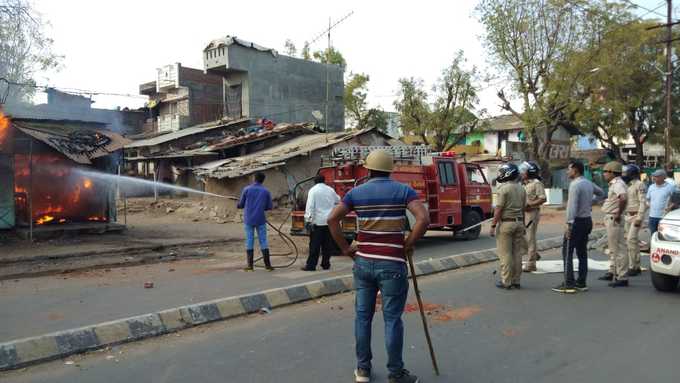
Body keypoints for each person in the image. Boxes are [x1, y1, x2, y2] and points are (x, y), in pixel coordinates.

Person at [327, 149, 429, 383]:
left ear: (368, 169)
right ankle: (396, 373)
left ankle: (362, 370)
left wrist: (345, 248)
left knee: (363, 318)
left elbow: (332, 219)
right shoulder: (403, 190)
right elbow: (423, 219)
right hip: (392, 264)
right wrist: (408, 244)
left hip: (363, 263)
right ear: (390, 169)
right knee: (392, 319)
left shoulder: (356, 192)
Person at [553, 160, 605, 294]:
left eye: (569, 169)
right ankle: (581, 282)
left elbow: (572, 206)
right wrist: (589, 203)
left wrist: (569, 225)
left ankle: (569, 282)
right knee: (582, 252)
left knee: (567, 251)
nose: (567, 171)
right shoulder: (587, 182)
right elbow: (601, 193)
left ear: (575, 170)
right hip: (587, 220)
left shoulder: (575, 185)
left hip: (576, 222)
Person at [490, 162, 526, 290]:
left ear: (508, 173)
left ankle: (506, 281)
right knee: (517, 253)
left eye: (501, 172)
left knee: (505, 254)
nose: (500, 175)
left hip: (506, 224)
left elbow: (498, 210)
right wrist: (524, 225)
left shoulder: (503, 189)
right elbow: (523, 209)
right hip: (519, 223)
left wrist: (493, 225)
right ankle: (516, 281)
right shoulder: (522, 188)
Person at [301, 174, 340, 271]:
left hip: (317, 222)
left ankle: (311, 265)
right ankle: (326, 264)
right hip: (329, 221)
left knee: (315, 245)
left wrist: (308, 220)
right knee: (327, 245)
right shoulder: (330, 190)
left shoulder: (313, 190)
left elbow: (310, 206)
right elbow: (338, 200)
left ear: (315, 181)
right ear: (324, 181)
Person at [598, 161, 629, 287]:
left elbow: (623, 198)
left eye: (605, 172)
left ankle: (622, 276)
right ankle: (613, 271)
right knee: (612, 247)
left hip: (614, 218)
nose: (604, 174)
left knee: (619, 248)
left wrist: (618, 213)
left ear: (612, 172)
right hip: (610, 217)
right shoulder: (614, 184)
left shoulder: (618, 183)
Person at [237, 172, 274, 271]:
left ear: (254, 179)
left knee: (249, 240)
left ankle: (250, 266)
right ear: (263, 180)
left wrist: (238, 204)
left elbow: (241, 204)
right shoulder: (266, 191)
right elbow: (269, 207)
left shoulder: (246, 189)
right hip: (261, 219)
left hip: (248, 219)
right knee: (263, 241)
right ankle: (268, 266)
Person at [519, 161, 546, 272]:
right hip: (522, 213)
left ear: (530, 172)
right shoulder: (524, 183)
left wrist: (530, 205)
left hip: (531, 213)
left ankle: (531, 264)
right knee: (520, 236)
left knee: (530, 238)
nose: (521, 173)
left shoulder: (536, 183)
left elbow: (543, 198)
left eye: (523, 171)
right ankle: (534, 254)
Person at [622, 164, 647, 277]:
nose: (625, 175)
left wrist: (639, 217)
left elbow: (643, 202)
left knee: (631, 240)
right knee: (631, 242)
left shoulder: (639, 184)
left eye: (627, 173)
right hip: (627, 216)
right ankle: (635, 265)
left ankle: (634, 266)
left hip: (636, 216)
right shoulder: (627, 185)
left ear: (632, 174)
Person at [646, 169, 676, 235]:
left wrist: (669, 207)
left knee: (663, 235)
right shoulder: (651, 187)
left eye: (657, 176)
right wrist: (648, 204)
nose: (654, 178)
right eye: (654, 176)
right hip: (652, 216)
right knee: (653, 235)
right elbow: (647, 199)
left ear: (663, 177)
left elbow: (675, 201)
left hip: (663, 217)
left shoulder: (670, 187)